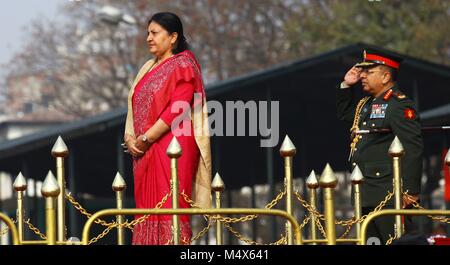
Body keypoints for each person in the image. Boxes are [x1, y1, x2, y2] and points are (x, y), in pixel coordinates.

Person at [124, 12, 211, 245]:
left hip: (173, 147)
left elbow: (179, 108)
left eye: (154, 33)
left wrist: (146, 138)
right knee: (146, 213)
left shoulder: (183, 64)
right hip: (145, 151)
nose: (148, 38)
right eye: (147, 33)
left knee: (171, 207)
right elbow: (133, 108)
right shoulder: (147, 69)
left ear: (173, 37)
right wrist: (131, 138)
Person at [336, 49, 423, 244]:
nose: (362, 75)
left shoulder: (399, 105)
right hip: (367, 193)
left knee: (395, 241)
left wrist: (410, 190)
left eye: (369, 71)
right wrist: (345, 85)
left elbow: (412, 148)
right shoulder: (366, 104)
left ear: (385, 76)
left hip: (390, 194)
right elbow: (345, 115)